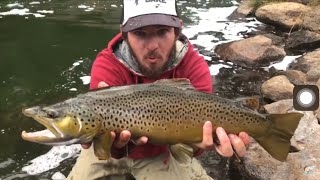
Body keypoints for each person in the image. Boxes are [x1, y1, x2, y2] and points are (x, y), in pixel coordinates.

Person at [67, 0, 250, 179]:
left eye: (162, 32)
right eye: (140, 33)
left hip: (163, 153)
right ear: (124, 34)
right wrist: (116, 146)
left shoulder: (194, 67)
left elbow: (193, 146)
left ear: (177, 30)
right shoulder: (108, 65)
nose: (153, 45)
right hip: (104, 153)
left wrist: (199, 145)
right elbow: (104, 141)